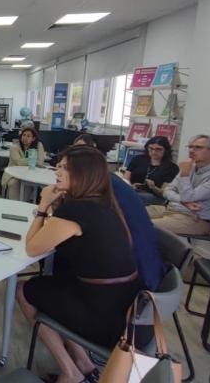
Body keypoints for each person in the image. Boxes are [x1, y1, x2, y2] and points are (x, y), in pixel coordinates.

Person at [17, 146, 143, 383]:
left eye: (65, 168)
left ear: (83, 174)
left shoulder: (76, 210)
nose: (57, 171)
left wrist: (43, 205)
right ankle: (84, 364)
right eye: (59, 166)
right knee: (50, 288)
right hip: (123, 304)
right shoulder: (105, 203)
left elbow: (32, 247)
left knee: (24, 290)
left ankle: (71, 372)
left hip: (105, 317)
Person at [147, 134, 210, 235]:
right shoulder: (190, 166)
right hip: (170, 209)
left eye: (198, 147)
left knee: (142, 225)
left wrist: (184, 175)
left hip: (195, 219)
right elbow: (167, 190)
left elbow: (188, 197)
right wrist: (183, 202)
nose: (191, 150)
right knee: (130, 213)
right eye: (190, 147)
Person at [124, 136, 179, 206]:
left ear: (166, 150)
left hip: (155, 196)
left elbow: (165, 193)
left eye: (158, 149)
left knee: (133, 197)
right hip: (134, 191)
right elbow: (125, 179)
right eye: (151, 148)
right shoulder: (137, 159)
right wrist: (131, 186)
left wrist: (153, 187)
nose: (154, 152)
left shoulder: (172, 168)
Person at [1, 127, 46, 199]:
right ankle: (14, 202)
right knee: (14, 183)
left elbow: (40, 162)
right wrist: (34, 160)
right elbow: (19, 162)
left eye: (28, 136)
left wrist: (32, 161)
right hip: (14, 174)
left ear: (33, 138)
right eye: (24, 135)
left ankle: (28, 201)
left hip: (31, 174)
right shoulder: (14, 147)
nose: (25, 138)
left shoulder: (38, 145)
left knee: (42, 185)